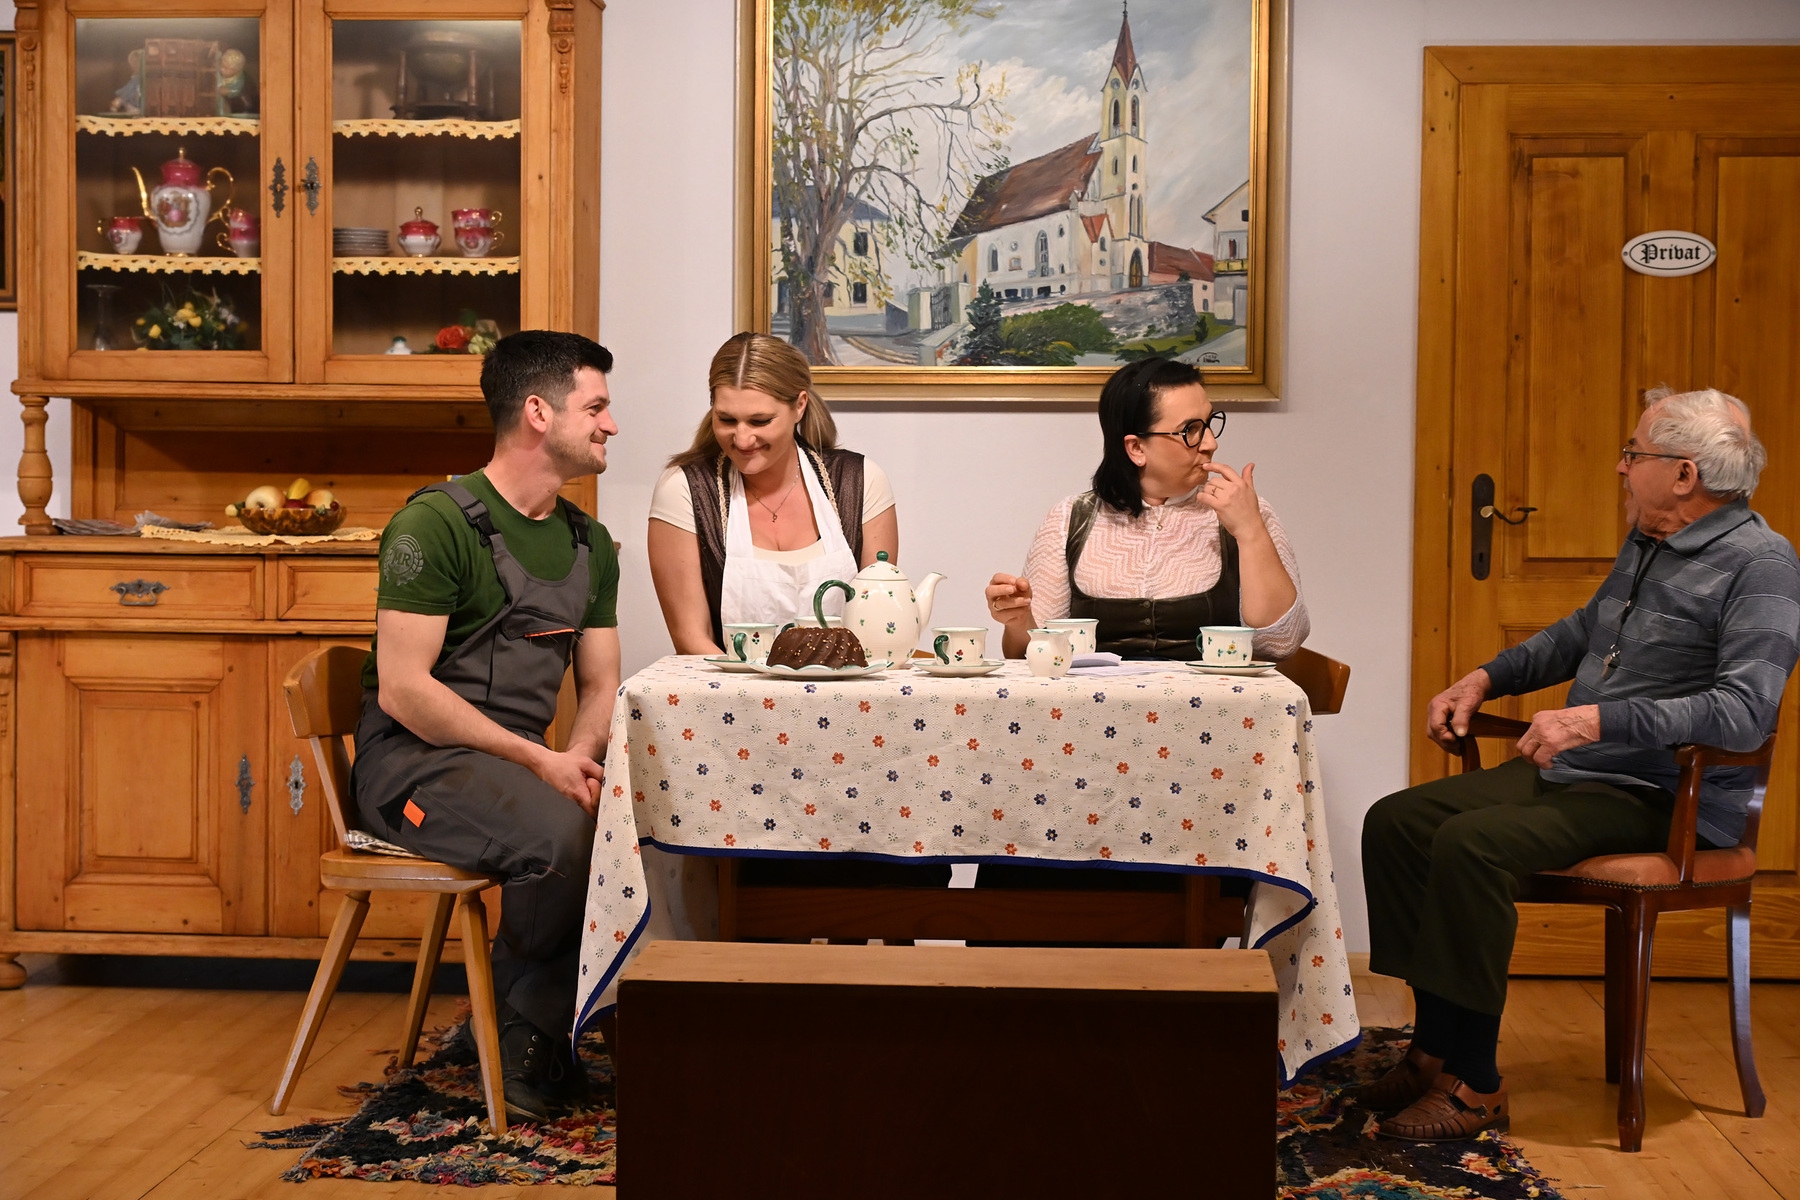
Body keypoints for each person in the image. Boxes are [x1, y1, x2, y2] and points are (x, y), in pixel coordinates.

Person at [1359, 387, 1800, 1141]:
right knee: (1397, 821)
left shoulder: (1762, 564)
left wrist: (1598, 719)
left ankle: (1476, 1082)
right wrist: (1485, 678)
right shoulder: (1649, 539)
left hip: (1664, 792)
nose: (1621, 467)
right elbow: (1581, 632)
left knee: (1472, 844)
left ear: (1684, 474)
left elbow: (1744, 711)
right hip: (1584, 771)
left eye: (1634, 454)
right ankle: (1433, 1045)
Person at [351, 330, 622, 1123]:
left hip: (517, 765)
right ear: (538, 412)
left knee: (623, 821)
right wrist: (538, 763)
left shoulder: (590, 544)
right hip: (411, 767)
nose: (610, 425)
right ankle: (525, 1038)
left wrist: (578, 755)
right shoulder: (432, 525)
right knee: (560, 836)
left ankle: (528, 1019)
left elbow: (600, 684)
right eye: (596, 408)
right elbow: (404, 691)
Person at [986, 357, 1308, 661]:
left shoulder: (1244, 511)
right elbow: (1026, 656)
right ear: (1137, 448)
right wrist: (1017, 621)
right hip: (1096, 701)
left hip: (1212, 700)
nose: (1211, 443)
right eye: (1191, 430)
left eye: (1210, 423)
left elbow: (1280, 644)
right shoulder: (1070, 518)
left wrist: (1250, 531)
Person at [648, 331, 898, 652]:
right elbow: (691, 638)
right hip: (726, 684)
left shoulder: (859, 482)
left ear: (800, 406)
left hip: (845, 682)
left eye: (760, 421)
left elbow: (876, 627)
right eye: (727, 419)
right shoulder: (684, 490)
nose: (742, 439)